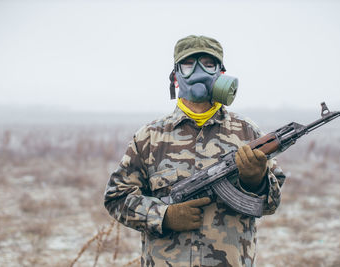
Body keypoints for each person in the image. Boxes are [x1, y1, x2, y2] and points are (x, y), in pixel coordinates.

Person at [104, 35, 286, 267]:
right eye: (188, 64)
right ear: (175, 76)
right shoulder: (149, 137)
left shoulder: (247, 133)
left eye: (208, 64)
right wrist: (164, 216)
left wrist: (256, 182)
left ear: (221, 74)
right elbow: (116, 199)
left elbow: (270, 205)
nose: (199, 71)